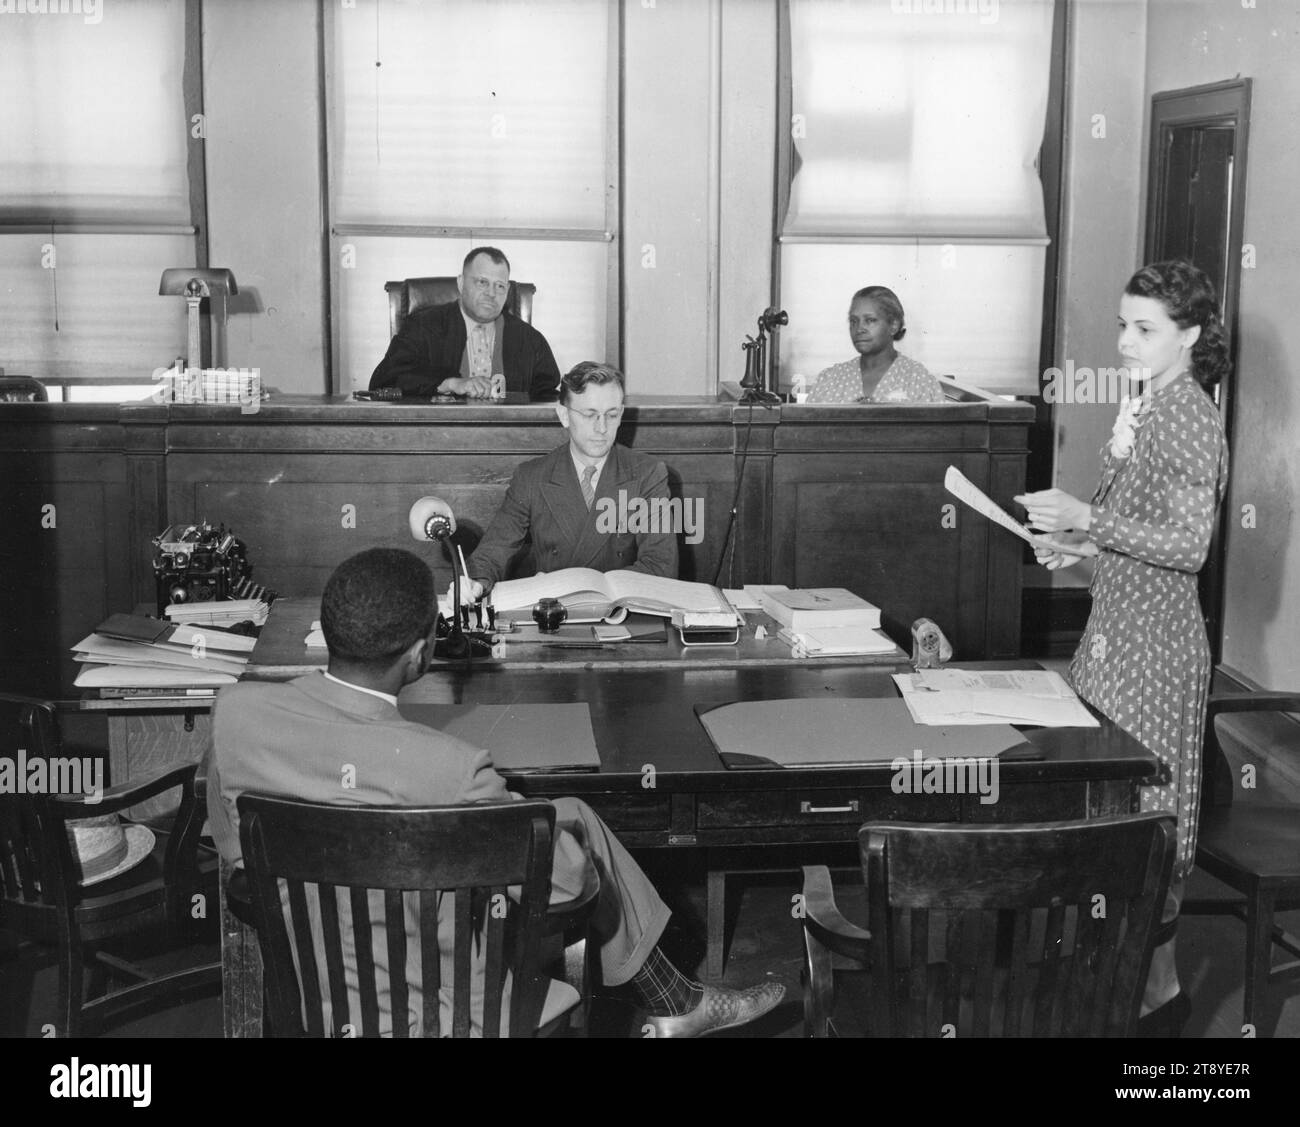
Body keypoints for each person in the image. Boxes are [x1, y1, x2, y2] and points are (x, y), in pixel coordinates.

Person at [207, 548, 784, 1037]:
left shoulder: (236, 716)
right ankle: (676, 1003)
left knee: (569, 815)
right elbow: (569, 888)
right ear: (419, 654)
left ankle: (677, 1001)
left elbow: (238, 859)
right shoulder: (451, 769)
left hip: (315, 1004)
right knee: (567, 841)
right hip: (454, 1015)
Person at [1015, 259, 1230, 1037]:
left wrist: (1087, 518)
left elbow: (1190, 544)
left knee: (1139, 835)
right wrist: (1071, 548)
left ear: (1192, 335)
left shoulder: (1187, 414)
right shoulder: (1147, 406)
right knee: (1107, 831)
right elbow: (1134, 553)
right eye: (1122, 324)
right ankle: (1132, 1000)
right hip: (1112, 644)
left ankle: (1150, 1016)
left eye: (1145, 329)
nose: (1125, 343)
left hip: (1156, 654)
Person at [459, 361, 678, 598]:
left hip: (623, 616)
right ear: (563, 415)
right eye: (589, 415)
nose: (602, 428)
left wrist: (570, 586)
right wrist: (473, 584)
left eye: (611, 415)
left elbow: (661, 566)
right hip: (556, 620)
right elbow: (492, 552)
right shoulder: (532, 477)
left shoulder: (647, 474)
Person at [369, 246, 560, 401]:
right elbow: (384, 380)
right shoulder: (423, 326)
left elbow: (548, 395)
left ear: (508, 290)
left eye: (500, 286)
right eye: (482, 282)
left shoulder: (529, 339)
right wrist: (449, 384)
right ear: (460, 283)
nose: (491, 293)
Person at [807, 285, 945, 404]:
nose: (859, 328)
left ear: (893, 325)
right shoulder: (830, 380)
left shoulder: (918, 381)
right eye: (853, 321)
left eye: (870, 320)